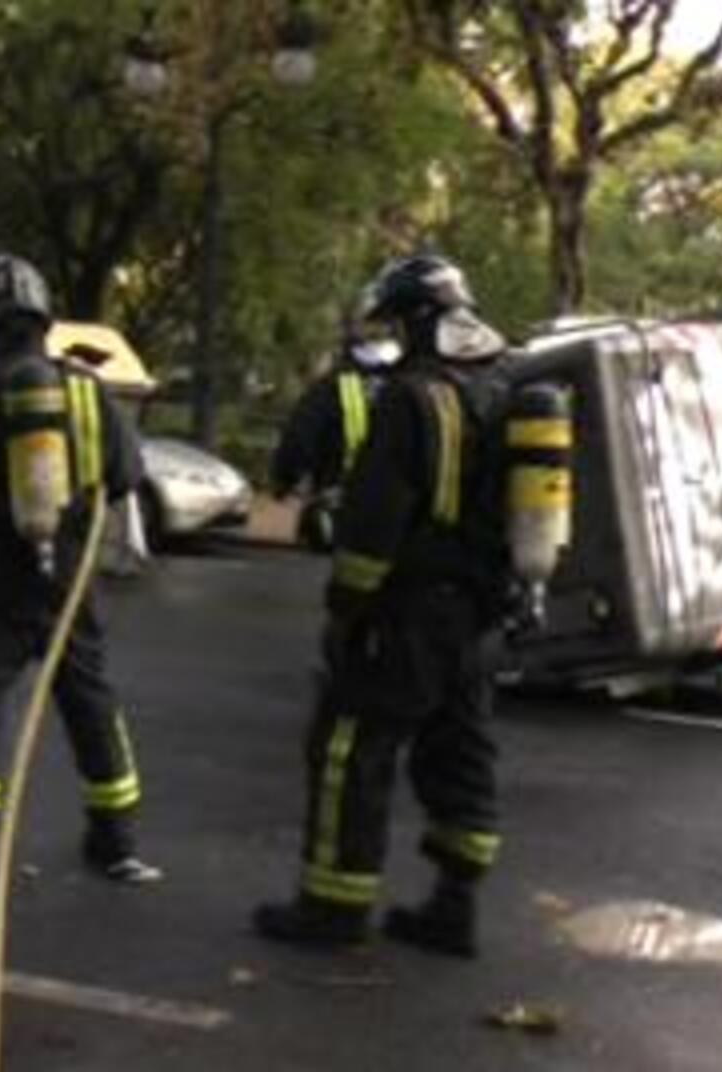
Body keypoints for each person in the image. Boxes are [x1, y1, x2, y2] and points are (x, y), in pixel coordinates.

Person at [253, 253, 514, 957]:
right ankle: (455, 906)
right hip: (480, 612)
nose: (393, 338)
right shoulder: (497, 391)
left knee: (350, 746)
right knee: (460, 749)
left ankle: (333, 909)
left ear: (419, 320)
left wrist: (348, 607)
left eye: (399, 324)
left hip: (409, 612)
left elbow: (375, 523)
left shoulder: (410, 398)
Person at [0, 252, 164, 896]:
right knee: (89, 699)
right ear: (43, 318)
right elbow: (128, 475)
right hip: (69, 576)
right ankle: (117, 842)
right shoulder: (86, 391)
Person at [269, 322, 399, 548]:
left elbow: (299, 437)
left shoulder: (333, 385)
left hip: (340, 506)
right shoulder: (417, 384)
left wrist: (285, 481)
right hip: (400, 517)